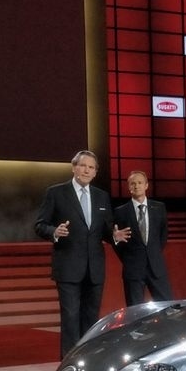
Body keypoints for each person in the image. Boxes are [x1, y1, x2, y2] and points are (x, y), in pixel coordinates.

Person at [34, 149, 130, 358]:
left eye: (91, 167)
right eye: (83, 166)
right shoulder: (56, 193)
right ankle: (70, 362)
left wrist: (114, 235)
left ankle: (88, 359)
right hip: (68, 266)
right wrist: (54, 231)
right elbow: (40, 225)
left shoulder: (101, 196)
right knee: (70, 317)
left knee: (91, 317)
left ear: (95, 172)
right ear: (74, 167)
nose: (87, 170)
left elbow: (105, 230)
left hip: (94, 268)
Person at [113, 170, 174, 306]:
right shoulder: (120, 212)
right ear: (129, 187)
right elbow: (118, 241)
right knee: (135, 310)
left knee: (168, 307)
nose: (136, 186)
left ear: (146, 185)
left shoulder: (159, 207)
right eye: (133, 183)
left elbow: (163, 235)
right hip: (133, 269)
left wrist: (153, 253)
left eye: (140, 183)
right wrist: (130, 259)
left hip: (156, 267)